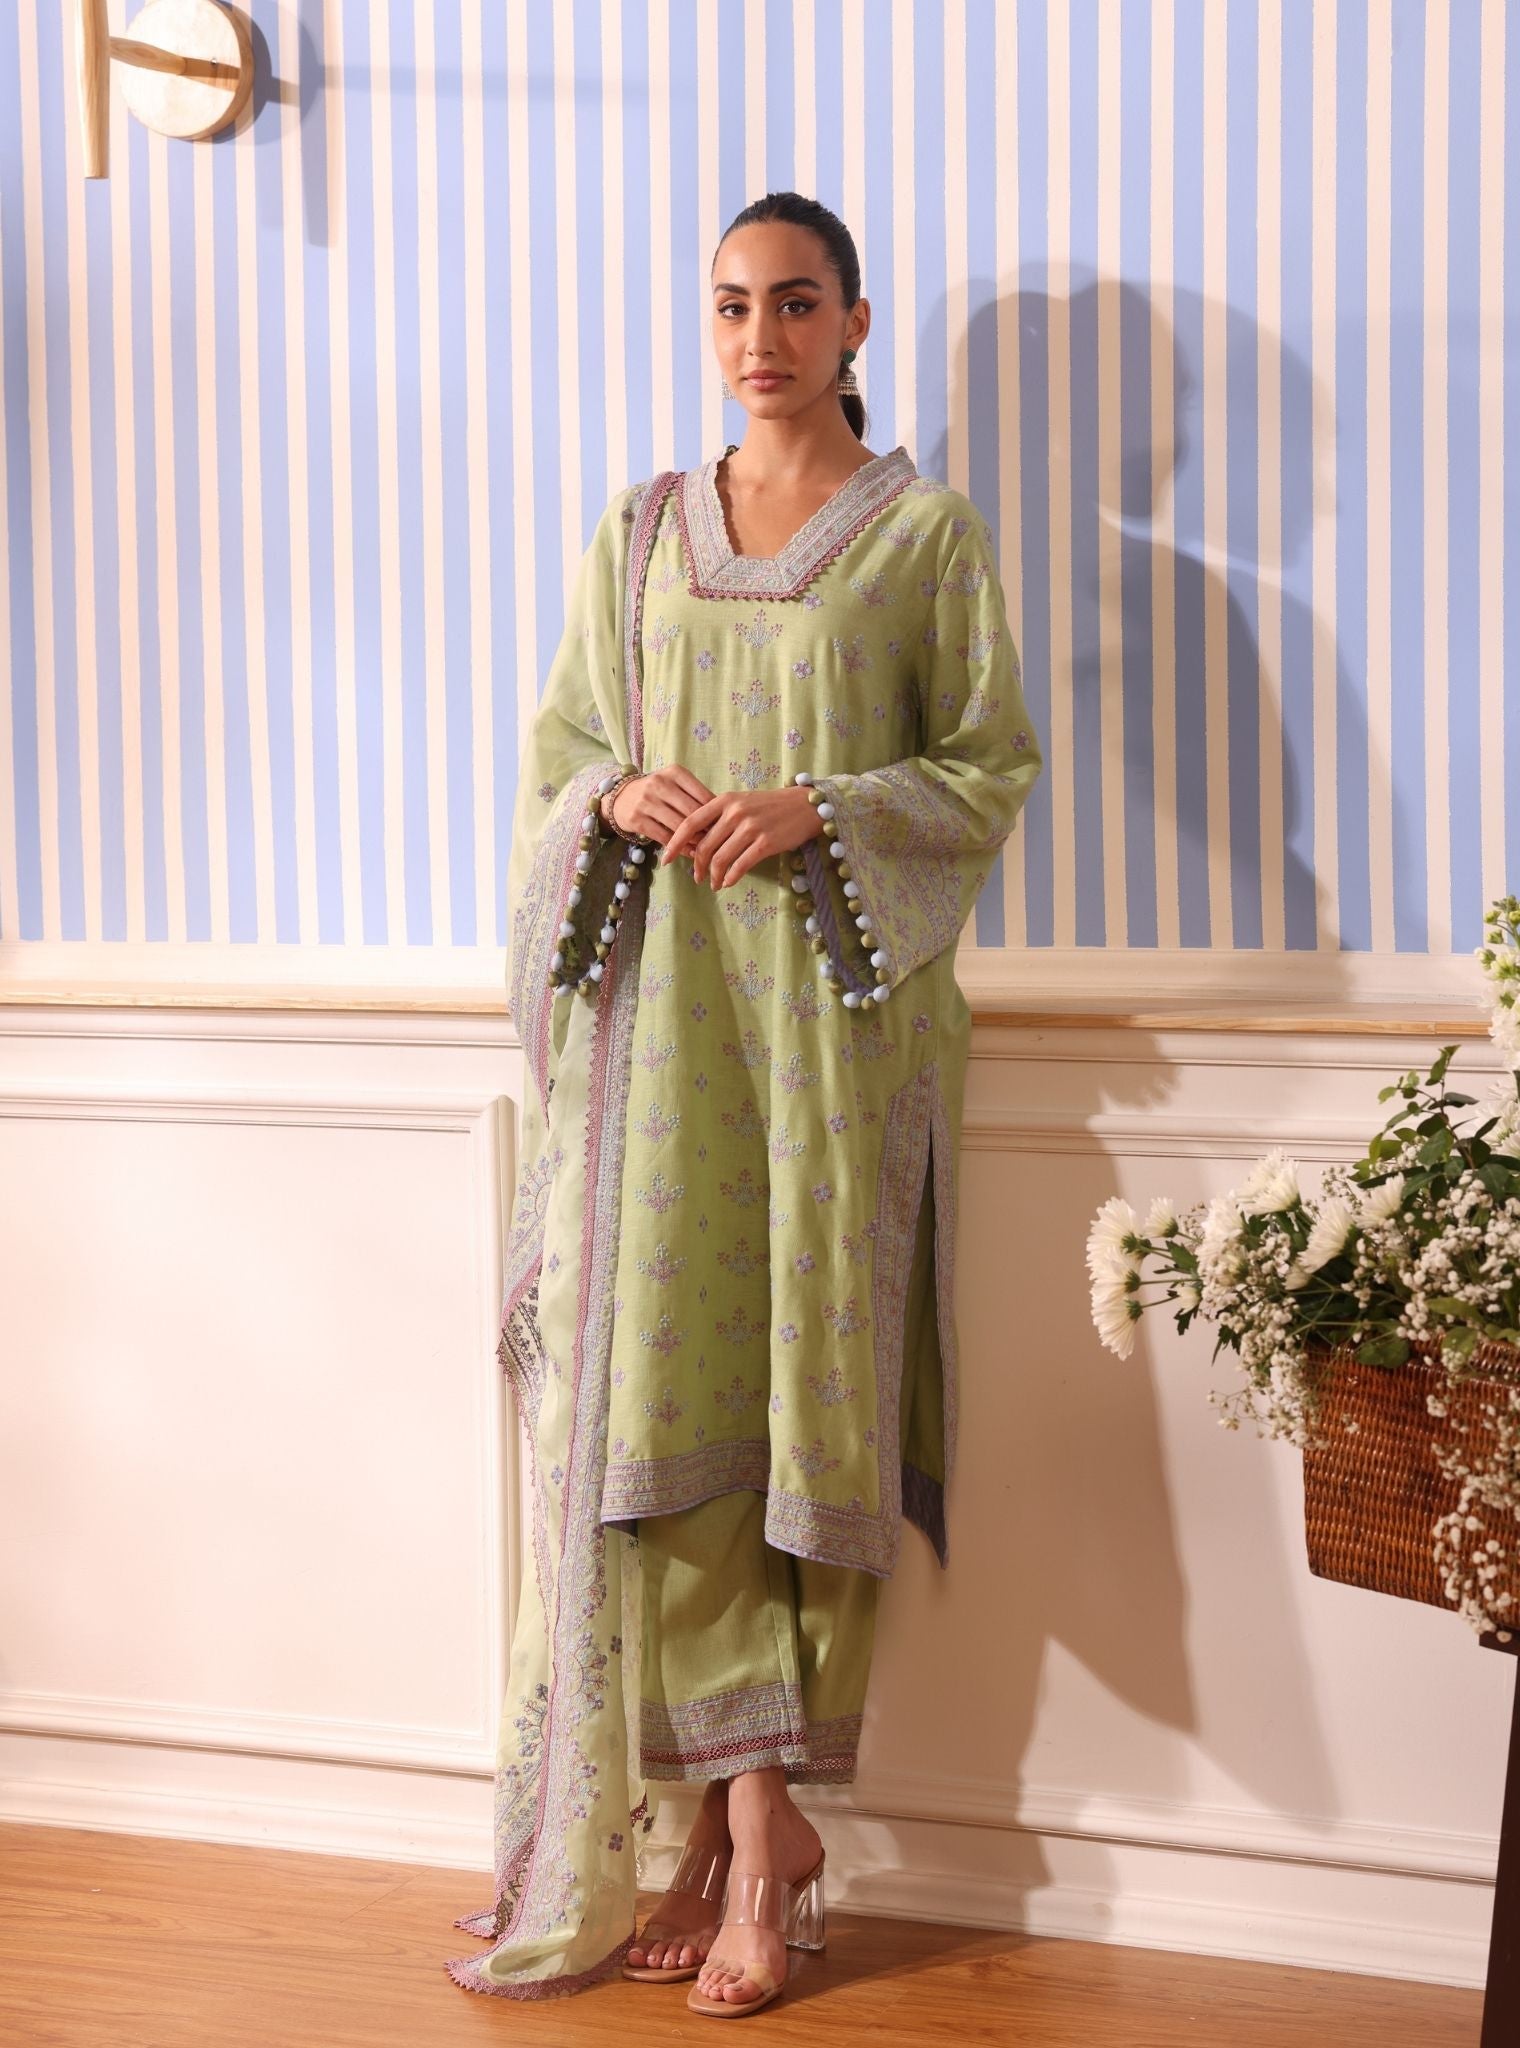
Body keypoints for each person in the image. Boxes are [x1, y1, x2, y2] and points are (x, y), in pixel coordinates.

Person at [446, 190, 1043, 2016]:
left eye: (793, 303)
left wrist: (821, 807)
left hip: (839, 1044)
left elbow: (987, 768)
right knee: (664, 1410)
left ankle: (747, 1834)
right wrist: (613, 798)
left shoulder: (923, 537)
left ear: (854, 322)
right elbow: (559, 758)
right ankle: (754, 1824)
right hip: (664, 1044)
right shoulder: (639, 533)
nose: (757, 337)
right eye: (729, 305)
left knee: (812, 1415)